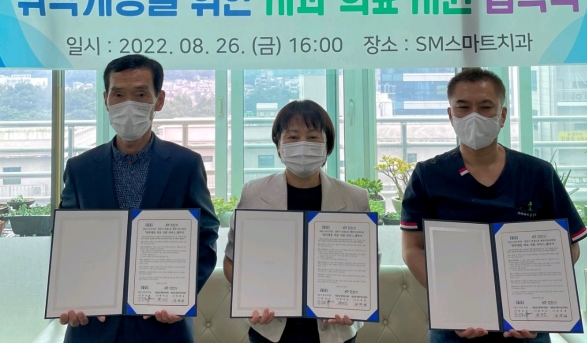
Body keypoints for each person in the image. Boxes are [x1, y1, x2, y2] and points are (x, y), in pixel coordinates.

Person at [401, 68, 587, 343]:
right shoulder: (428, 175)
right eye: (463, 107)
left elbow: (570, 245)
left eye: (486, 107)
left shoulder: (537, 173)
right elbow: (412, 249)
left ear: (502, 115)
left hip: (526, 324)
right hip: (456, 325)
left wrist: (537, 300)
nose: (474, 116)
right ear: (451, 115)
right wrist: (452, 301)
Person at [59, 54, 219, 343]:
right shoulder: (80, 168)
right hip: (92, 325)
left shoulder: (185, 164)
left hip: (163, 325)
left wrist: (182, 297)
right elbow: (67, 241)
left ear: (159, 100)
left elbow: (205, 235)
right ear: (106, 99)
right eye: (119, 94)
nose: (128, 105)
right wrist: (69, 295)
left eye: (141, 94)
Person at [223, 100, 370, 343]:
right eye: (292, 137)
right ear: (279, 146)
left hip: (334, 329)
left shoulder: (355, 198)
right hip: (270, 329)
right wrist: (251, 298)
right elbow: (231, 261)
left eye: (313, 137)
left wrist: (354, 304)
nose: (303, 144)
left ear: (327, 146)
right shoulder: (254, 193)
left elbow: (366, 265)